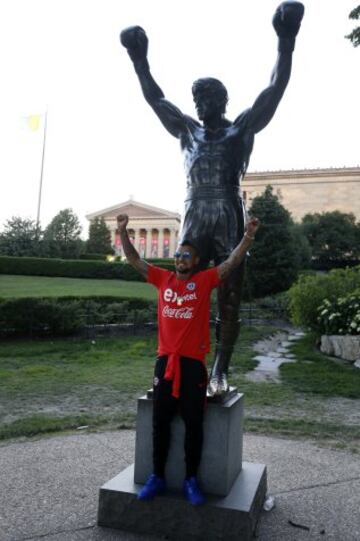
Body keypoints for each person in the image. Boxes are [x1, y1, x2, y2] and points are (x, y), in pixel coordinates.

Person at [120, 2, 304, 396]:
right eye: (196, 99)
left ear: (221, 100)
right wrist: (140, 60)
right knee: (183, 290)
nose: (199, 106)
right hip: (194, 215)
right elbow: (157, 100)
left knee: (230, 299)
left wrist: (285, 42)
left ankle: (220, 369)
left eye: (205, 99)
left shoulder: (241, 130)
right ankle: (180, 362)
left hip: (228, 213)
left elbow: (274, 90)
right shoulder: (188, 132)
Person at [116, 213, 259, 505]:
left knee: (194, 424)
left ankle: (191, 480)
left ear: (195, 262)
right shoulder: (162, 279)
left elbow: (231, 263)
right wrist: (122, 231)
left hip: (193, 365)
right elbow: (134, 260)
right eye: (179, 254)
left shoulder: (205, 281)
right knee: (160, 422)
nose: (181, 258)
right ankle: (157, 477)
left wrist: (248, 236)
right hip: (165, 363)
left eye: (187, 256)